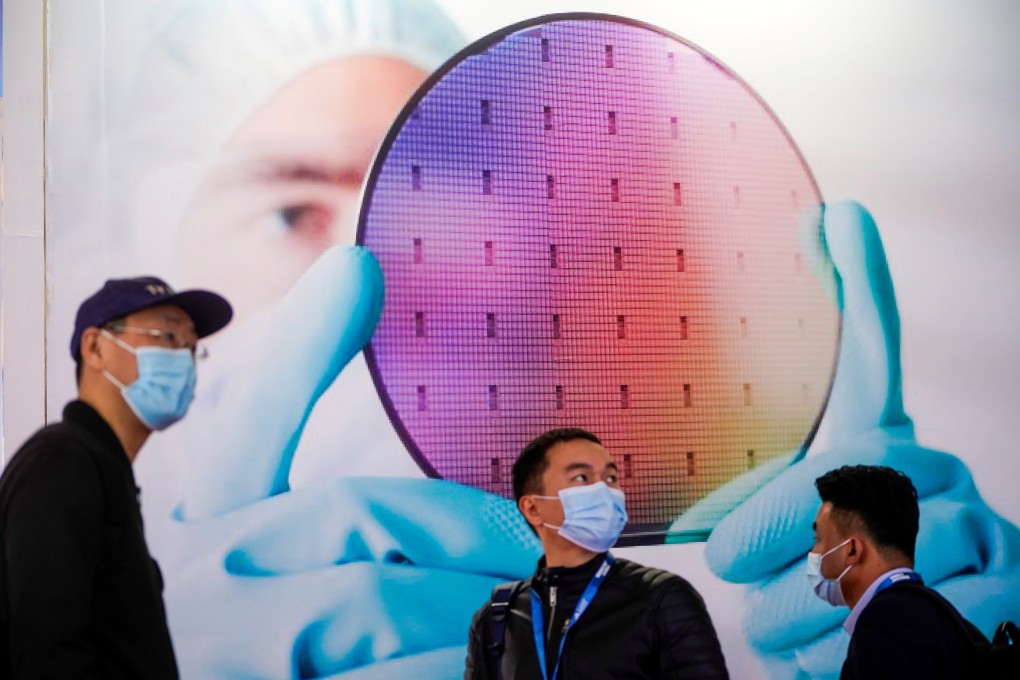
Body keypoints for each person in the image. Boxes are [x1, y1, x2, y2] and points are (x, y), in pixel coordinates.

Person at [0, 276, 232, 678]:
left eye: (192, 347)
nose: (184, 360)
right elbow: (47, 649)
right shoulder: (62, 461)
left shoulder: (102, 468)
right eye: (166, 335)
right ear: (95, 348)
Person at [464, 428, 730, 679]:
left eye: (611, 478)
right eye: (582, 478)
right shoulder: (497, 617)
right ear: (533, 509)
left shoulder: (661, 598)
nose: (604, 490)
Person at [808, 464, 985, 679]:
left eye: (818, 540)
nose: (814, 552)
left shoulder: (884, 624)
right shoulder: (936, 613)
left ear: (852, 550)